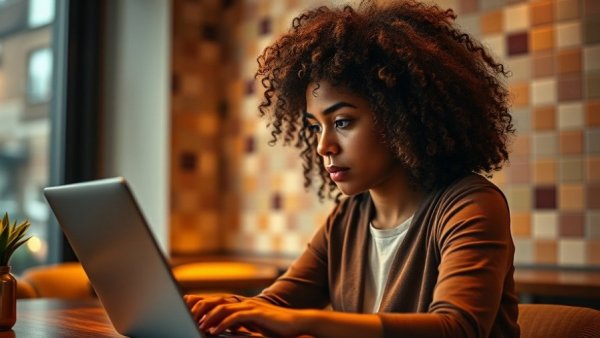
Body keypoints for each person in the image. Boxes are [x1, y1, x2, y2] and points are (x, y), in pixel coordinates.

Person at [185, 0, 519, 337]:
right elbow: (275, 305)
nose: (323, 146)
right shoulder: (348, 219)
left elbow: (457, 328)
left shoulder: (470, 205)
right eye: (316, 126)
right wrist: (217, 310)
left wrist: (307, 321)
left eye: (342, 122)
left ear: (402, 117)